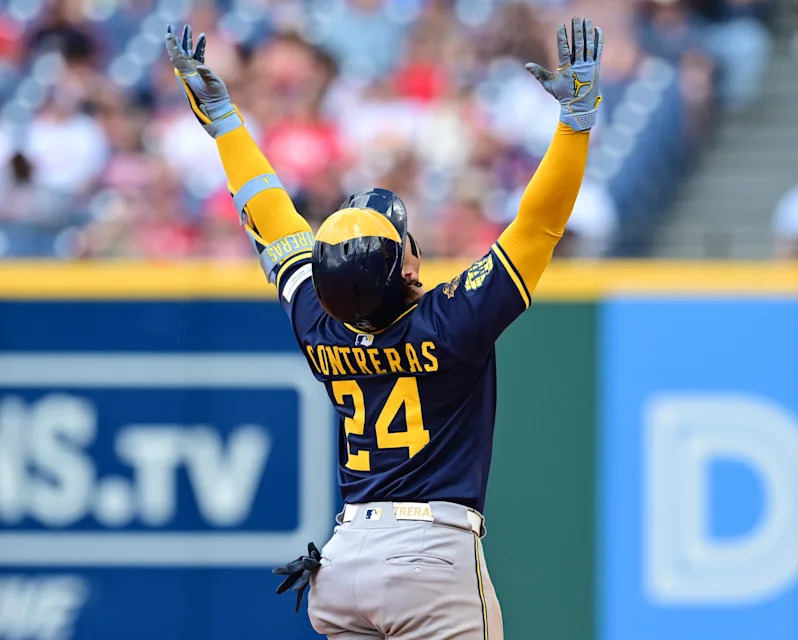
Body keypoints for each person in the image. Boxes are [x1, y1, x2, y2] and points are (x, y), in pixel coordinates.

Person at [165, 15, 603, 640]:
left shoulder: (316, 319)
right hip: (431, 555)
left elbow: (268, 214)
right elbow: (538, 224)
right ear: (407, 267)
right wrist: (575, 126)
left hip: (343, 560)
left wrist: (226, 127)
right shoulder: (453, 320)